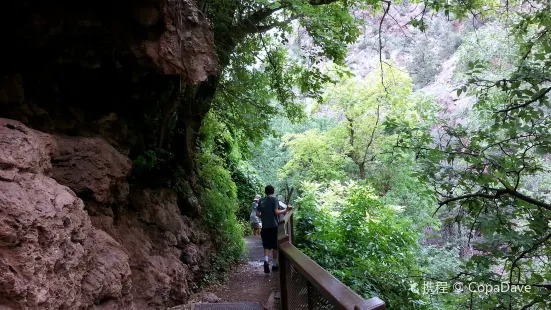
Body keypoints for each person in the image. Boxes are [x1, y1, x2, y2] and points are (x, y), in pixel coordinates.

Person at [256, 185, 292, 273]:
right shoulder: (274, 199)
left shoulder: (261, 200)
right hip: (273, 226)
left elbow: (257, 214)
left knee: (266, 245)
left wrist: (264, 216)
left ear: (265, 192)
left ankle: (266, 261)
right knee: (274, 246)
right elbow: (276, 212)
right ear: (273, 191)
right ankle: (275, 264)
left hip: (264, 227)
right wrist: (286, 210)